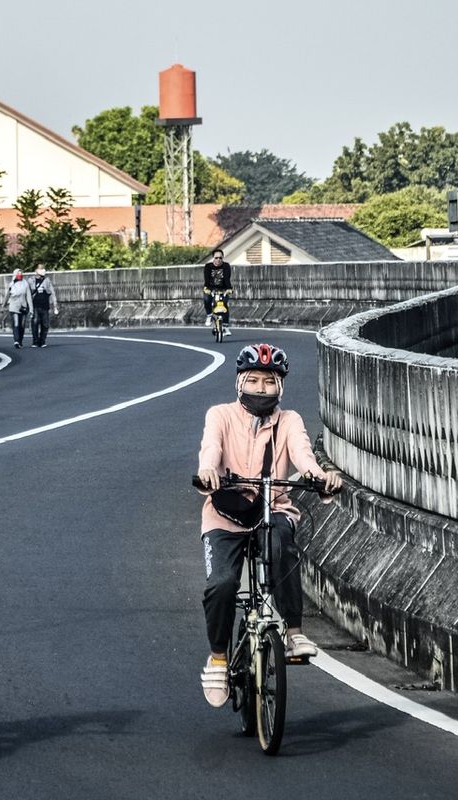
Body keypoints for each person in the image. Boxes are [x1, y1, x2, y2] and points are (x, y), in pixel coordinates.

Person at [194, 343, 343, 707]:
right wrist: (208, 470)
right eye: (254, 381)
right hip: (224, 515)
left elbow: (303, 453)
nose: (261, 389)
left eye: (269, 382)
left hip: (273, 507)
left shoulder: (289, 420)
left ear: (280, 386)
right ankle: (218, 657)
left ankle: (293, 632)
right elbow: (210, 448)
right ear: (241, 382)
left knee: (282, 545)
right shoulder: (220, 415)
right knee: (223, 584)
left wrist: (318, 475)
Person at [29, 264, 59, 348]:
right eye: (41, 269)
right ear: (36, 270)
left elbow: (52, 293)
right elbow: (27, 293)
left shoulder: (47, 280)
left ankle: (42, 341)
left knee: (45, 324)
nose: (43, 270)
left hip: (45, 305)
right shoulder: (31, 280)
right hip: (35, 305)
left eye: (43, 269)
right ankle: (35, 341)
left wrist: (55, 306)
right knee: (35, 323)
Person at [202, 250, 231, 331]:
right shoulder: (208, 266)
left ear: (223, 258)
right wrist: (207, 288)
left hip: (223, 289)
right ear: (213, 258)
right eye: (216, 258)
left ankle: (225, 326)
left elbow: (227, 278)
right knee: (206, 299)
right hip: (210, 289)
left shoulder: (226, 266)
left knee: (224, 304)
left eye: (220, 258)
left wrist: (229, 289)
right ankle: (209, 315)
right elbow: (206, 279)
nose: (218, 259)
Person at [6, 268, 32, 349]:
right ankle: (16, 340)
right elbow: (7, 295)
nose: (20, 275)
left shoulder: (26, 284)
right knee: (16, 323)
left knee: (22, 325)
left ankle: (20, 340)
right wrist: (3, 304)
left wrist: (31, 308)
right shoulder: (11, 284)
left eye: (21, 273)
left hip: (23, 307)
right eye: (18, 273)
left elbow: (29, 297)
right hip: (14, 306)